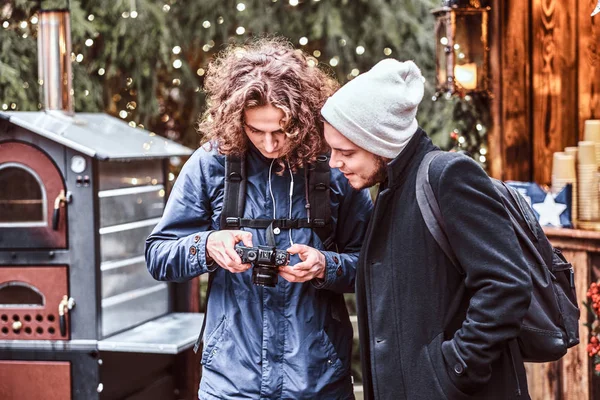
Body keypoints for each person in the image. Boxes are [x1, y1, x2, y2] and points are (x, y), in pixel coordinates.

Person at [145, 37, 373, 400]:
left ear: (304, 117)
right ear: (237, 120)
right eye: (256, 131)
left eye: (281, 130)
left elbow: (373, 267)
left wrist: (324, 266)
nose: (269, 144)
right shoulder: (209, 165)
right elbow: (158, 256)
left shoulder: (335, 167)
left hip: (318, 382)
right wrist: (207, 245)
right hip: (230, 383)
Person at [321, 59, 533, 399]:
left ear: (382, 141)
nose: (333, 162)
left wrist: (453, 370)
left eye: (346, 151)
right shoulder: (389, 190)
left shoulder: (448, 176)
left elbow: (506, 284)